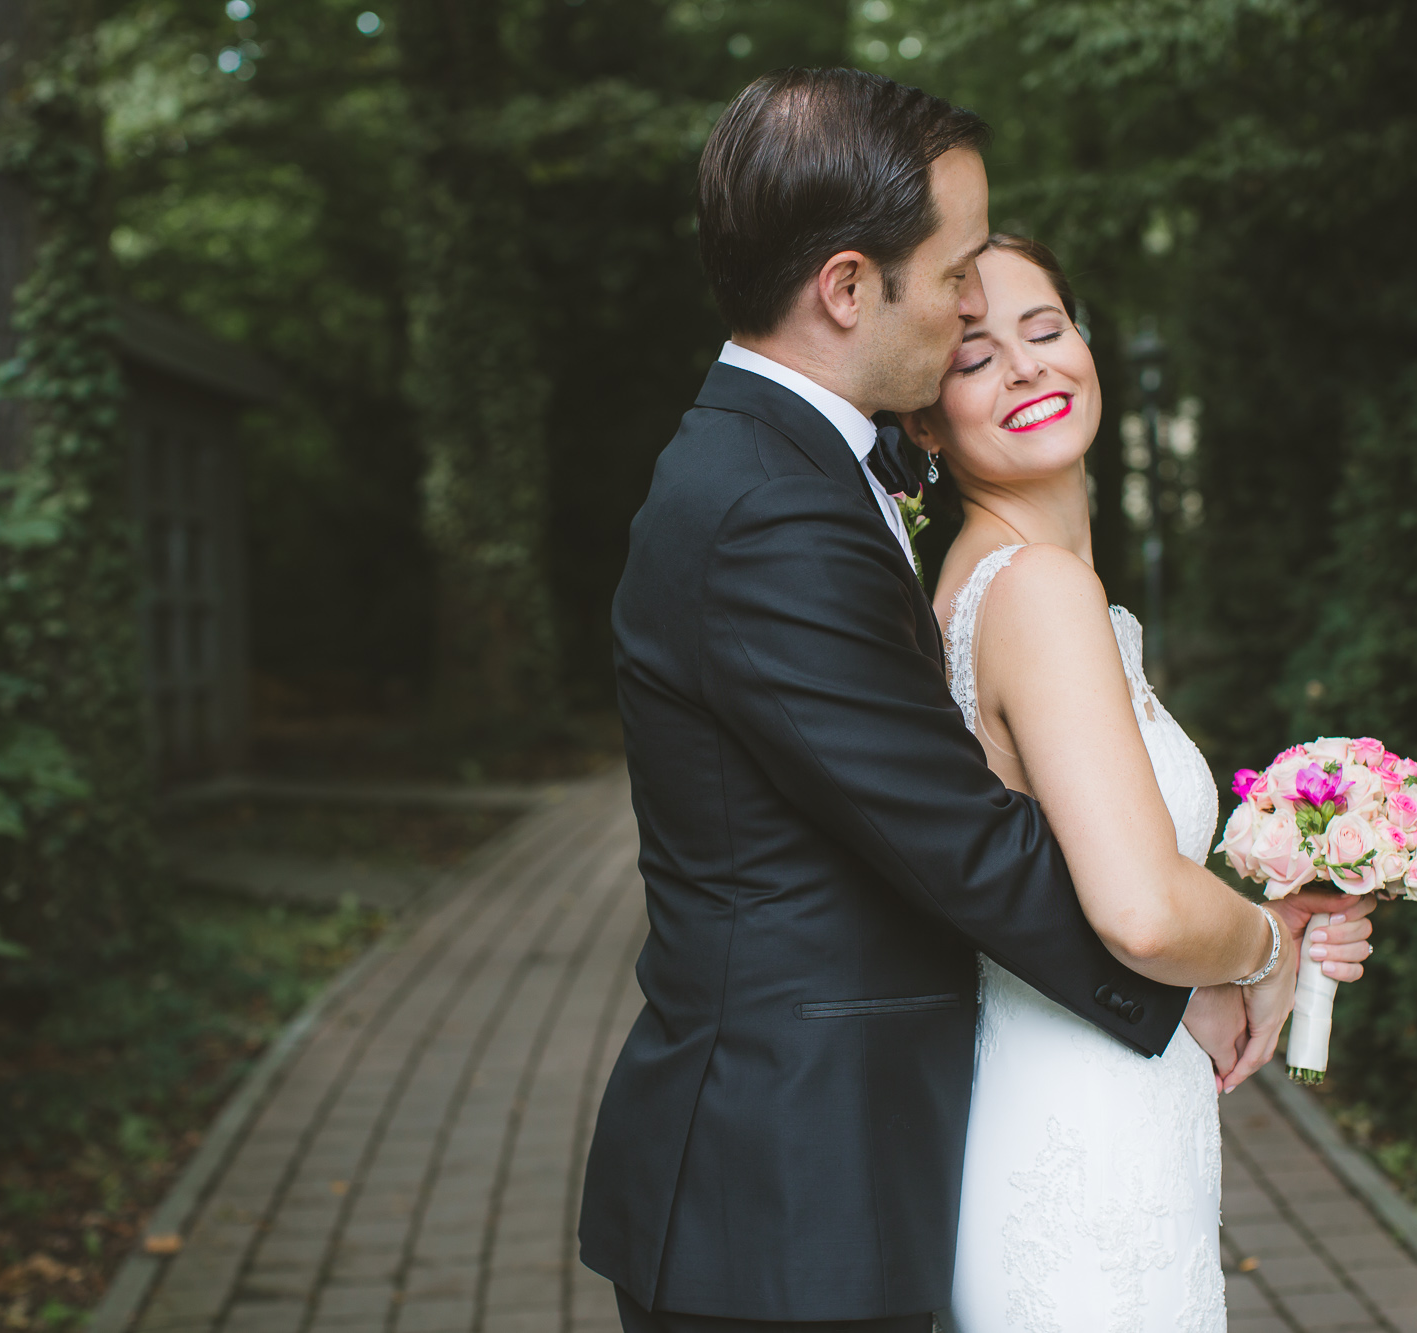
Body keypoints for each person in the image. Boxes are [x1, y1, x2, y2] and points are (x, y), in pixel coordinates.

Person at [578, 68, 1373, 1333]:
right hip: (788, 1193)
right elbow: (963, 838)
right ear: (846, 288)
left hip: (854, 1165)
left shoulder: (797, 470)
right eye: (954, 279)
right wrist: (1238, 951)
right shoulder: (765, 508)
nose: (969, 312)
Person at [891, 233, 1377, 1329]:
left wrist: (1279, 930)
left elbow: (1078, 878)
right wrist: (1259, 946)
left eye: (1045, 327)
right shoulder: (1035, 591)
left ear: (1085, 344)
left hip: (1085, 1102)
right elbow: (1142, 913)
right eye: (973, 356)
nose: (1023, 366)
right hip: (1080, 1142)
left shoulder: (1003, 590)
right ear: (922, 415)